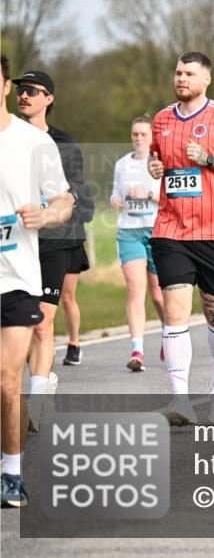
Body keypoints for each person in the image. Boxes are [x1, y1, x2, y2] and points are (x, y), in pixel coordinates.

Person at [147, 52, 214, 426]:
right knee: (174, 311)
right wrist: (154, 166)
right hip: (170, 228)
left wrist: (210, 159)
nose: (180, 78)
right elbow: (154, 160)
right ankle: (179, 398)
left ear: (206, 79)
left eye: (188, 74)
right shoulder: (161, 118)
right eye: (177, 72)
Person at [1, 53, 74, 508]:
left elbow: (64, 200)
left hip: (15, 276)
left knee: (8, 379)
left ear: (5, 85)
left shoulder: (33, 142)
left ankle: (10, 472)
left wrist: (47, 214)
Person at [13, 69, 94, 401]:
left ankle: (38, 400)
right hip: (15, 239)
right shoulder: (7, 137)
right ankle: (34, 382)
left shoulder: (62, 142)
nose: (25, 95)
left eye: (33, 90)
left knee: (43, 322)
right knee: (21, 325)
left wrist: (66, 202)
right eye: (20, 89)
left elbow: (77, 188)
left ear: (49, 99)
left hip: (55, 238)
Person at [109, 116, 166, 371]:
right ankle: (137, 351)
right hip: (129, 231)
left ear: (152, 136)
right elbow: (115, 193)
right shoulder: (122, 164)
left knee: (158, 294)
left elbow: (169, 198)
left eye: (143, 134)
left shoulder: (159, 163)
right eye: (135, 134)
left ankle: (170, 335)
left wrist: (148, 194)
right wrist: (115, 200)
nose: (139, 138)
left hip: (156, 231)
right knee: (135, 289)